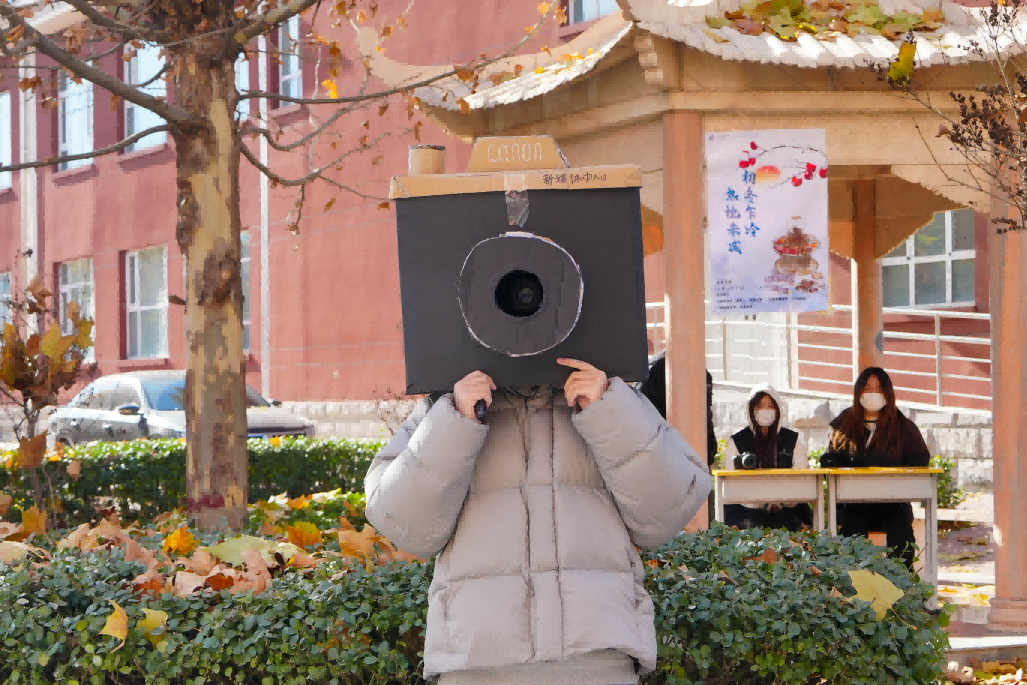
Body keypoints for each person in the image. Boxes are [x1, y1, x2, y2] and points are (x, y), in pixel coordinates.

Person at [364, 358, 712, 685]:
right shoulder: (448, 406)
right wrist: (455, 420)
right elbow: (405, 525)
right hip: (477, 662)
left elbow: (666, 513)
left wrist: (609, 409)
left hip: (595, 661)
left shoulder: (610, 398)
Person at [820, 367, 930, 569]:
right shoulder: (844, 423)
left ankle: (902, 588)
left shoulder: (902, 425)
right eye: (867, 388)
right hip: (855, 503)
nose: (872, 394)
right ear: (858, 392)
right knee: (852, 538)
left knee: (902, 537)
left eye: (879, 389)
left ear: (888, 393)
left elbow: (920, 459)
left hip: (894, 503)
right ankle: (852, 589)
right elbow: (828, 460)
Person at [637, 352, 718, 520]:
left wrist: (709, 451)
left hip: (689, 462)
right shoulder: (656, 372)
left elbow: (706, 417)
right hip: (664, 464)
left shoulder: (700, 372)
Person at [721, 384, 812, 531]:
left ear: (778, 409)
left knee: (787, 522)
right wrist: (760, 502)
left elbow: (801, 477)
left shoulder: (793, 440)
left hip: (787, 507)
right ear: (750, 409)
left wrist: (779, 502)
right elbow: (732, 483)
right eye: (759, 406)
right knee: (753, 523)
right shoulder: (738, 441)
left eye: (770, 406)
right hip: (747, 509)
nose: (765, 411)